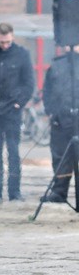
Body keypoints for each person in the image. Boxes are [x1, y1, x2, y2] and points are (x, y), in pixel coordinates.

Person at [0, 23, 35, 202]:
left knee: (13, 152)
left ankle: (15, 192)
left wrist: (18, 104)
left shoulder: (22, 54)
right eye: (2, 42)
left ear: (12, 36)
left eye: (8, 42)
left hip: (13, 112)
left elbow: (29, 83)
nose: (5, 45)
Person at [41, 45, 79, 203]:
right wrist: (51, 111)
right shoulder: (56, 65)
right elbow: (47, 90)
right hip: (61, 120)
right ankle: (59, 192)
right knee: (60, 158)